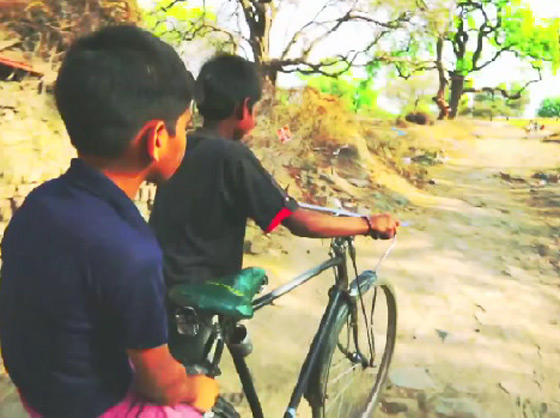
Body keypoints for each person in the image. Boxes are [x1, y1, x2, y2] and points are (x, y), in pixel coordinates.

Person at [0, 25, 219, 418]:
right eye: (185, 127)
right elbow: (160, 385)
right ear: (157, 139)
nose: (186, 137)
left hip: (40, 395)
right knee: (202, 396)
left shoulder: (40, 203)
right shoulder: (132, 250)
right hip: (98, 408)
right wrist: (196, 387)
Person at [149, 54, 399, 366]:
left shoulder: (182, 145)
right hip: (200, 294)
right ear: (244, 108)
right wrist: (367, 224)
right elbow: (298, 222)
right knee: (189, 379)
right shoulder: (233, 156)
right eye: (255, 109)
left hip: (157, 283)